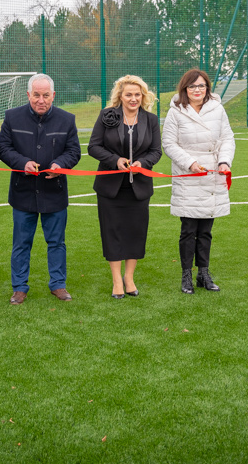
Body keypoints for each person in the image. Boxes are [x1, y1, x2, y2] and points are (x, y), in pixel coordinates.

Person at [0, 74, 81, 304]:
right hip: (22, 191)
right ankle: (19, 287)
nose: (41, 100)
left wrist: (61, 164)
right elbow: (3, 147)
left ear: (53, 95)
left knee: (56, 242)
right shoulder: (12, 117)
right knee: (21, 243)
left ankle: (58, 285)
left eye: (46, 95)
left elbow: (74, 151)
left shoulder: (66, 119)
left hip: (54, 191)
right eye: (36, 95)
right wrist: (21, 162)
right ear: (28, 95)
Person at [88, 75, 162, 298]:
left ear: (143, 96)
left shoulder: (151, 119)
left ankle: (129, 278)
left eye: (137, 94)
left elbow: (156, 151)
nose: (133, 99)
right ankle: (116, 281)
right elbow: (94, 146)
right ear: (120, 96)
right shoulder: (106, 115)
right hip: (110, 188)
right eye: (128, 94)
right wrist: (115, 160)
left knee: (135, 233)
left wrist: (144, 163)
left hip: (139, 188)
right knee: (112, 233)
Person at [162, 69, 235, 294]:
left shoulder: (218, 109)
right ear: (185, 89)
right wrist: (191, 162)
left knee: (206, 231)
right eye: (192, 86)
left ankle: (204, 273)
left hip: (212, 175)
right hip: (189, 176)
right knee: (188, 230)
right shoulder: (176, 112)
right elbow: (169, 143)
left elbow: (227, 138)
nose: (197, 90)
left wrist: (224, 162)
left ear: (207, 88)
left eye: (201, 86)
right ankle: (186, 275)